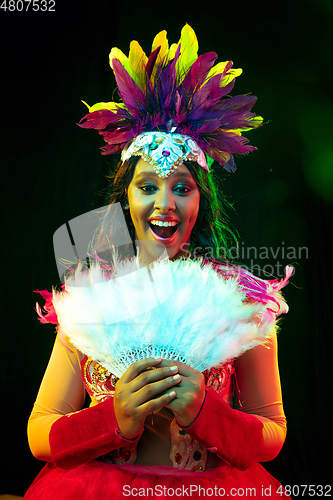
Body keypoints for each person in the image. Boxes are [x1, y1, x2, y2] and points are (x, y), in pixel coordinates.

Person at [24, 25, 292, 499]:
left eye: (182, 188)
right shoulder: (90, 300)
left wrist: (206, 413)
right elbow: (38, 432)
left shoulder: (242, 301)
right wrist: (114, 419)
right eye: (148, 186)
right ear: (125, 197)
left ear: (199, 201)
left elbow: (272, 434)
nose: (164, 204)